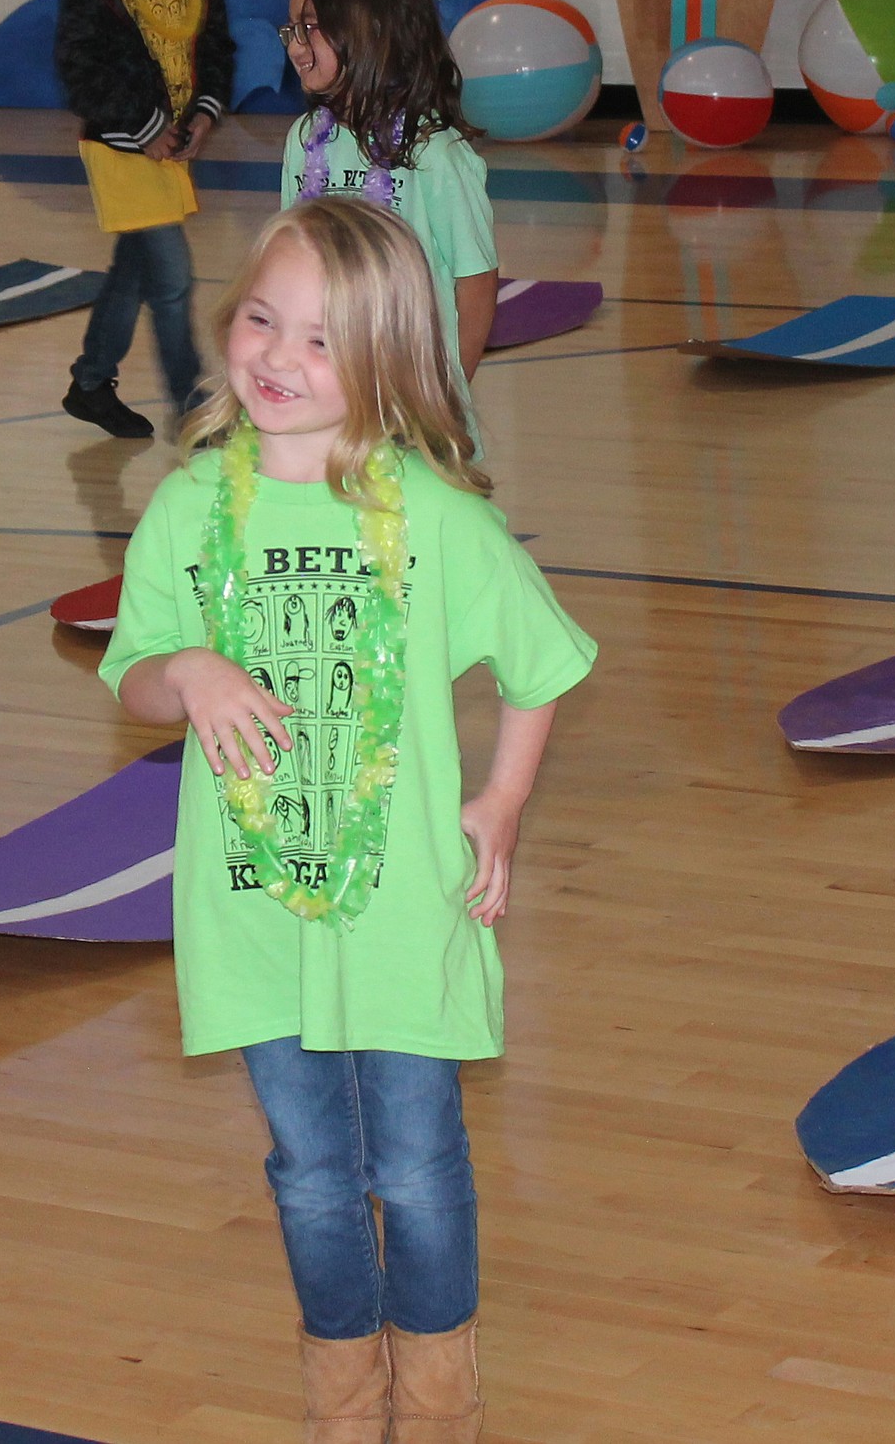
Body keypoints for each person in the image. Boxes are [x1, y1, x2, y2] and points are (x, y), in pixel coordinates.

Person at [98, 198, 596, 1441]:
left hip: (402, 904)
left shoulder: (435, 517)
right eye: (263, 319)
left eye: (322, 339)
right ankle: (343, 1395)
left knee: (419, 1167)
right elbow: (138, 675)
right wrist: (192, 672)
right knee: (313, 1174)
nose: (278, 355)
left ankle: (438, 1400)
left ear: (386, 363)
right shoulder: (189, 510)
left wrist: (504, 799)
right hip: (254, 908)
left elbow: (543, 661)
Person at [55, 0, 234, 439]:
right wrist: (145, 129)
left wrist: (206, 112)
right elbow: (82, 68)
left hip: (175, 142)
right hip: (122, 145)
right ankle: (192, 406)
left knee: (134, 270)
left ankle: (91, 384)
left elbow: (214, 39)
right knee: (173, 277)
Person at [279, 0, 498, 440]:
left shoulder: (435, 155)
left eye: (310, 26)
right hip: (328, 395)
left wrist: (444, 393)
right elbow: (290, 262)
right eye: (291, 29)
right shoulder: (304, 139)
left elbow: (477, 284)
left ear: (372, 34)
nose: (295, 45)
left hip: (412, 402)